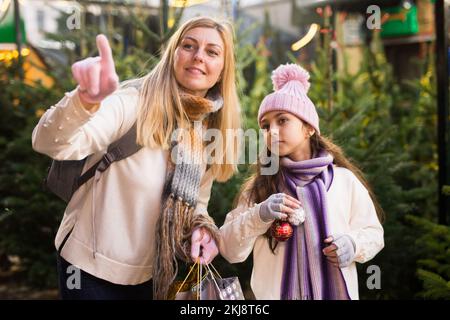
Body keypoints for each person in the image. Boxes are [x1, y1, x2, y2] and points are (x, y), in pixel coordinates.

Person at [32, 16, 241, 300]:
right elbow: (52, 143)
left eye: (212, 51)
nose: (198, 57)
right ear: (173, 55)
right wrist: (84, 101)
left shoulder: (207, 131)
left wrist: (201, 228)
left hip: (149, 275)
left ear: (222, 70)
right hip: (85, 267)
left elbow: (197, 203)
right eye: (188, 45)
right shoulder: (132, 102)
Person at [219, 63, 384, 300]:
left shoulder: (343, 181)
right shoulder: (260, 188)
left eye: (282, 120)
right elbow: (230, 250)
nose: (271, 131)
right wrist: (260, 215)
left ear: (308, 128)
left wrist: (353, 244)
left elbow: (374, 233)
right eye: (265, 126)